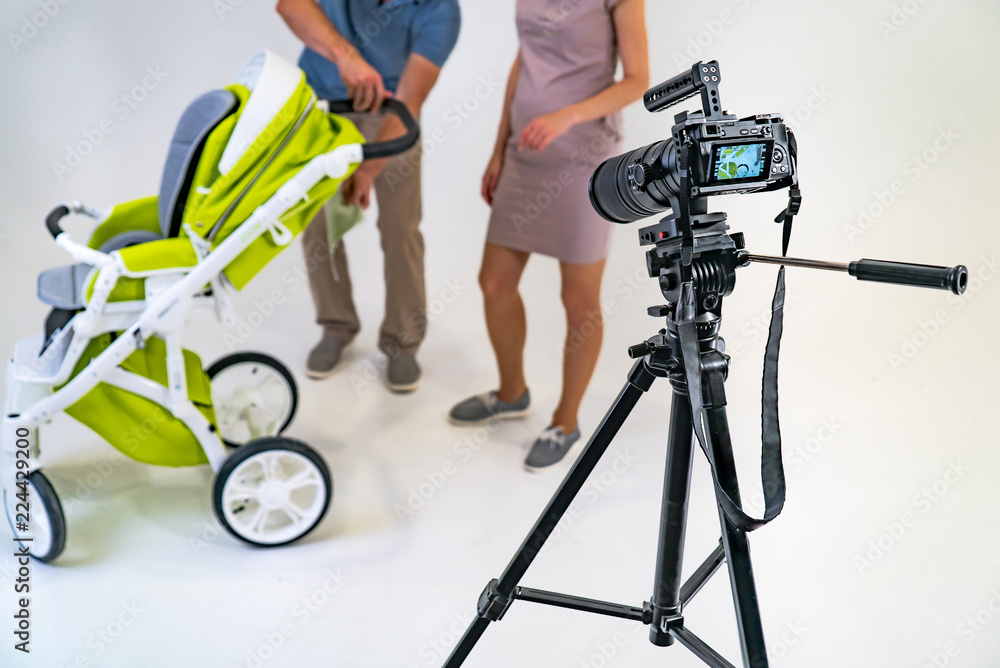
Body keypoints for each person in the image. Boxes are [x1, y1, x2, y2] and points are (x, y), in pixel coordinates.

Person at [449, 0, 649, 471]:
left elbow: (636, 80)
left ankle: (566, 420)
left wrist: (568, 115)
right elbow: (526, 56)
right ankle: (512, 393)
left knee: (578, 299)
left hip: (583, 155)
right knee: (494, 282)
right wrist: (501, 145)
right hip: (527, 150)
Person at [277, 0, 461, 392]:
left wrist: (367, 169)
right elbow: (289, 5)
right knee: (317, 226)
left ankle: (403, 343)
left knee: (401, 230)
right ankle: (336, 326)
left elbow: (410, 101)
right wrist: (345, 55)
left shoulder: (441, 11)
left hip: (393, 114)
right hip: (321, 107)